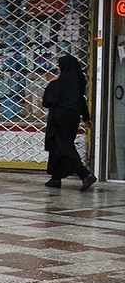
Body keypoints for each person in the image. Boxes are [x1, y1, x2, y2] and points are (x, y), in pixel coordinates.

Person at [42, 54, 97, 192]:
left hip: (58, 119)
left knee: (63, 146)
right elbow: (81, 102)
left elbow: (46, 102)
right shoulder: (78, 84)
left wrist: (52, 83)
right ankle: (55, 178)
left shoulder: (57, 84)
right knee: (58, 146)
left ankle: (85, 174)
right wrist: (86, 118)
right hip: (72, 119)